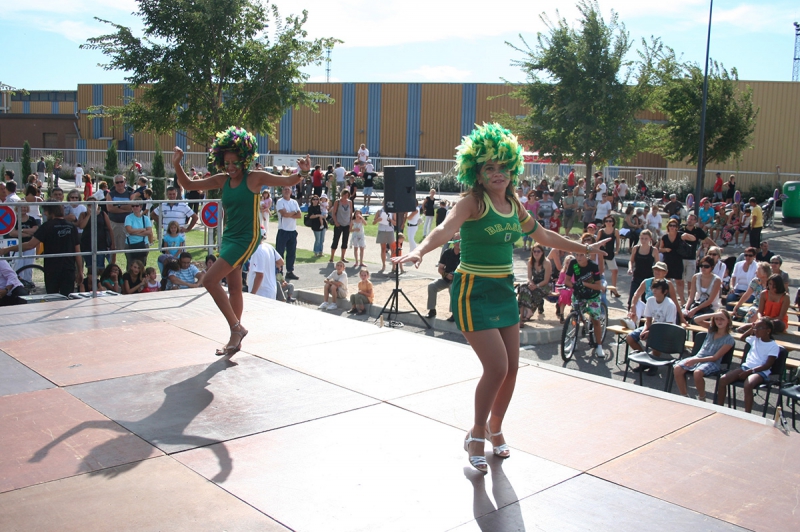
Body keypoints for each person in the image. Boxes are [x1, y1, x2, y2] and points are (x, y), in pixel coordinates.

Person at [393, 123, 610, 473]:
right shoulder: (472, 202)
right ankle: (475, 434)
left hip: (503, 289)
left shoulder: (513, 203)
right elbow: (444, 229)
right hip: (473, 291)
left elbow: (542, 234)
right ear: (477, 173)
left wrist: (582, 247)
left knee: (512, 370)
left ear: (513, 169)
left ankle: (496, 427)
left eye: (503, 167)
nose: (498, 173)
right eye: (489, 168)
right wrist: (420, 250)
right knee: (496, 367)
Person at [173, 127, 308, 356]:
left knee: (209, 280)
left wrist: (303, 172)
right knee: (235, 288)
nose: (231, 167)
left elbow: (288, 180)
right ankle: (234, 338)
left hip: (247, 238)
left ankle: (237, 328)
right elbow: (188, 185)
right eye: (227, 163)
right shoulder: (222, 180)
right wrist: (177, 163)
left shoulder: (255, 178)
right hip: (229, 238)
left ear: (245, 159)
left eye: (235, 162)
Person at [0, 204, 82, 296]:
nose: (45, 214)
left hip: (52, 268)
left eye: (45, 212)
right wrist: (80, 271)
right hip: (69, 268)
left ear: (50, 212)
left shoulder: (46, 226)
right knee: (68, 297)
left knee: (52, 298)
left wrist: (8, 249)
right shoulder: (72, 226)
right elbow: (77, 251)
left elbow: (30, 245)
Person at [716, 317, 780, 413]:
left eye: (759, 328)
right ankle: (719, 408)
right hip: (746, 367)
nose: (756, 330)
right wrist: (752, 327)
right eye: (755, 328)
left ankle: (747, 414)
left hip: (760, 371)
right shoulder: (754, 339)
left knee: (748, 384)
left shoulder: (773, 346)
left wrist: (750, 371)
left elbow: (767, 365)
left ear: (768, 331)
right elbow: (742, 337)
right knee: (723, 379)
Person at [674, 310, 735, 401]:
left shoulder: (729, 340)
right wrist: (714, 314)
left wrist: (695, 361)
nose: (719, 321)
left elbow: (715, 357)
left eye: (722, 319)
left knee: (698, 373)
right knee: (677, 368)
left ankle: (702, 397)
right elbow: (696, 319)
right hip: (698, 357)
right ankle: (684, 396)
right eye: (717, 319)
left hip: (712, 362)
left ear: (728, 321)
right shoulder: (711, 330)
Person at [625, 279, 677, 364]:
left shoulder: (670, 305)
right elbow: (648, 320)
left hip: (666, 330)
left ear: (665, 291)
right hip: (653, 327)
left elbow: (668, 326)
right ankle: (644, 360)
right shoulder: (650, 300)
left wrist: (650, 332)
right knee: (630, 337)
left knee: (655, 339)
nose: (654, 290)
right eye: (653, 288)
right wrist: (645, 330)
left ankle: (653, 365)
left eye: (658, 288)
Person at [628, 261, 683, 326]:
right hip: (649, 308)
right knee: (637, 303)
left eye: (659, 270)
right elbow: (636, 295)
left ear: (665, 273)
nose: (657, 272)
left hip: (662, 310)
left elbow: (675, 301)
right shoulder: (646, 281)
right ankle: (632, 323)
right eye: (655, 270)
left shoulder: (668, 284)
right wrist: (633, 307)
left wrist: (681, 318)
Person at [426, 236, 460, 321]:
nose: (458, 243)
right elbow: (440, 268)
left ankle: (454, 314)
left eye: (460, 240)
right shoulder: (447, 252)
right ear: (452, 241)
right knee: (432, 285)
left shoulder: (465, 254)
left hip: (458, 281)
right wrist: (446, 274)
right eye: (456, 240)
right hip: (446, 278)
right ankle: (432, 310)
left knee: (452, 288)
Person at [77, 197, 114, 274]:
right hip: (87, 244)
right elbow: (81, 226)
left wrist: (113, 243)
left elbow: (110, 228)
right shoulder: (83, 214)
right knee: (91, 268)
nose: (91, 206)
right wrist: (89, 215)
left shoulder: (103, 214)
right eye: (89, 204)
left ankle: (99, 284)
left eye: (94, 204)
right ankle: (91, 284)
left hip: (101, 244)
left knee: (100, 268)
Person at [518, 244, 552, 321]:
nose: (536, 253)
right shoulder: (530, 262)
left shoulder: (546, 262)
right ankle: (526, 312)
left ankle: (524, 315)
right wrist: (531, 283)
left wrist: (536, 286)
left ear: (542, 252)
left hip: (545, 284)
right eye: (534, 251)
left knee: (534, 292)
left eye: (538, 251)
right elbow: (529, 277)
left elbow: (546, 280)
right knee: (523, 287)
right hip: (535, 282)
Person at [683, 255, 722, 323]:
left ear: (712, 267)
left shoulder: (717, 280)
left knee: (696, 319)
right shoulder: (696, 277)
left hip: (711, 307)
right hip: (697, 304)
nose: (703, 268)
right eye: (701, 265)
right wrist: (686, 308)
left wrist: (695, 310)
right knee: (680, 314)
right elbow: (691, 297)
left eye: (706, 266)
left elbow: (710, 300)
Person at [7, 205, 40, 283]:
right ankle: (17, 283)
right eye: (21, 207)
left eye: (25, 207)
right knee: (18, 265)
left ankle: (28, 283)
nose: (23, 208)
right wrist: (27, 233)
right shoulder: (13, 219)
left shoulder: (32, 219)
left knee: (29, 266)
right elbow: (12, 233)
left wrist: (21, 230)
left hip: (30, 246)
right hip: (17, 246)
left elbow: (35, 231)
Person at [598, 216, 621, 297]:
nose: (608, 222)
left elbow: (618, 241)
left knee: (615, 271)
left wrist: (617, 250)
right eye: (606, 221)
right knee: (600, 271)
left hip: (610, 253)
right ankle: (599, 288)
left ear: (613, 222)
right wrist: (601, 244)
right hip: (601, 252)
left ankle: (614, 289)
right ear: (604, 222)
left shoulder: (615, 231)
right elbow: (596, 242)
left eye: (610, 221)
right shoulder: (601, 231)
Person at [329, 189, 353, 264]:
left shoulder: (350, 202)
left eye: (347, 195)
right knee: (335, 240)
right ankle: (332, 257)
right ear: (342, 195)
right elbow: (334, 213)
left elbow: (351, 213)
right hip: (339, 223)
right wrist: (336, 222)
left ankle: (342, 257)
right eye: (344, 195)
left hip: (347, 224)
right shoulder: (338, 202)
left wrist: (351, 222)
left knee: (345, 241)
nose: (346, 196)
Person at [372, 201, 395, 272]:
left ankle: (394, 266)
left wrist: (390, 220)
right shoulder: (379, 211)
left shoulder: (392, 211)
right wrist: (377, 220)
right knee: (383, 248)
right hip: (382, 230)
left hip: (390, 230)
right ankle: (383, 265)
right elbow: (373, 222)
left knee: (392, 249)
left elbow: (395, 222)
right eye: (384, 203)